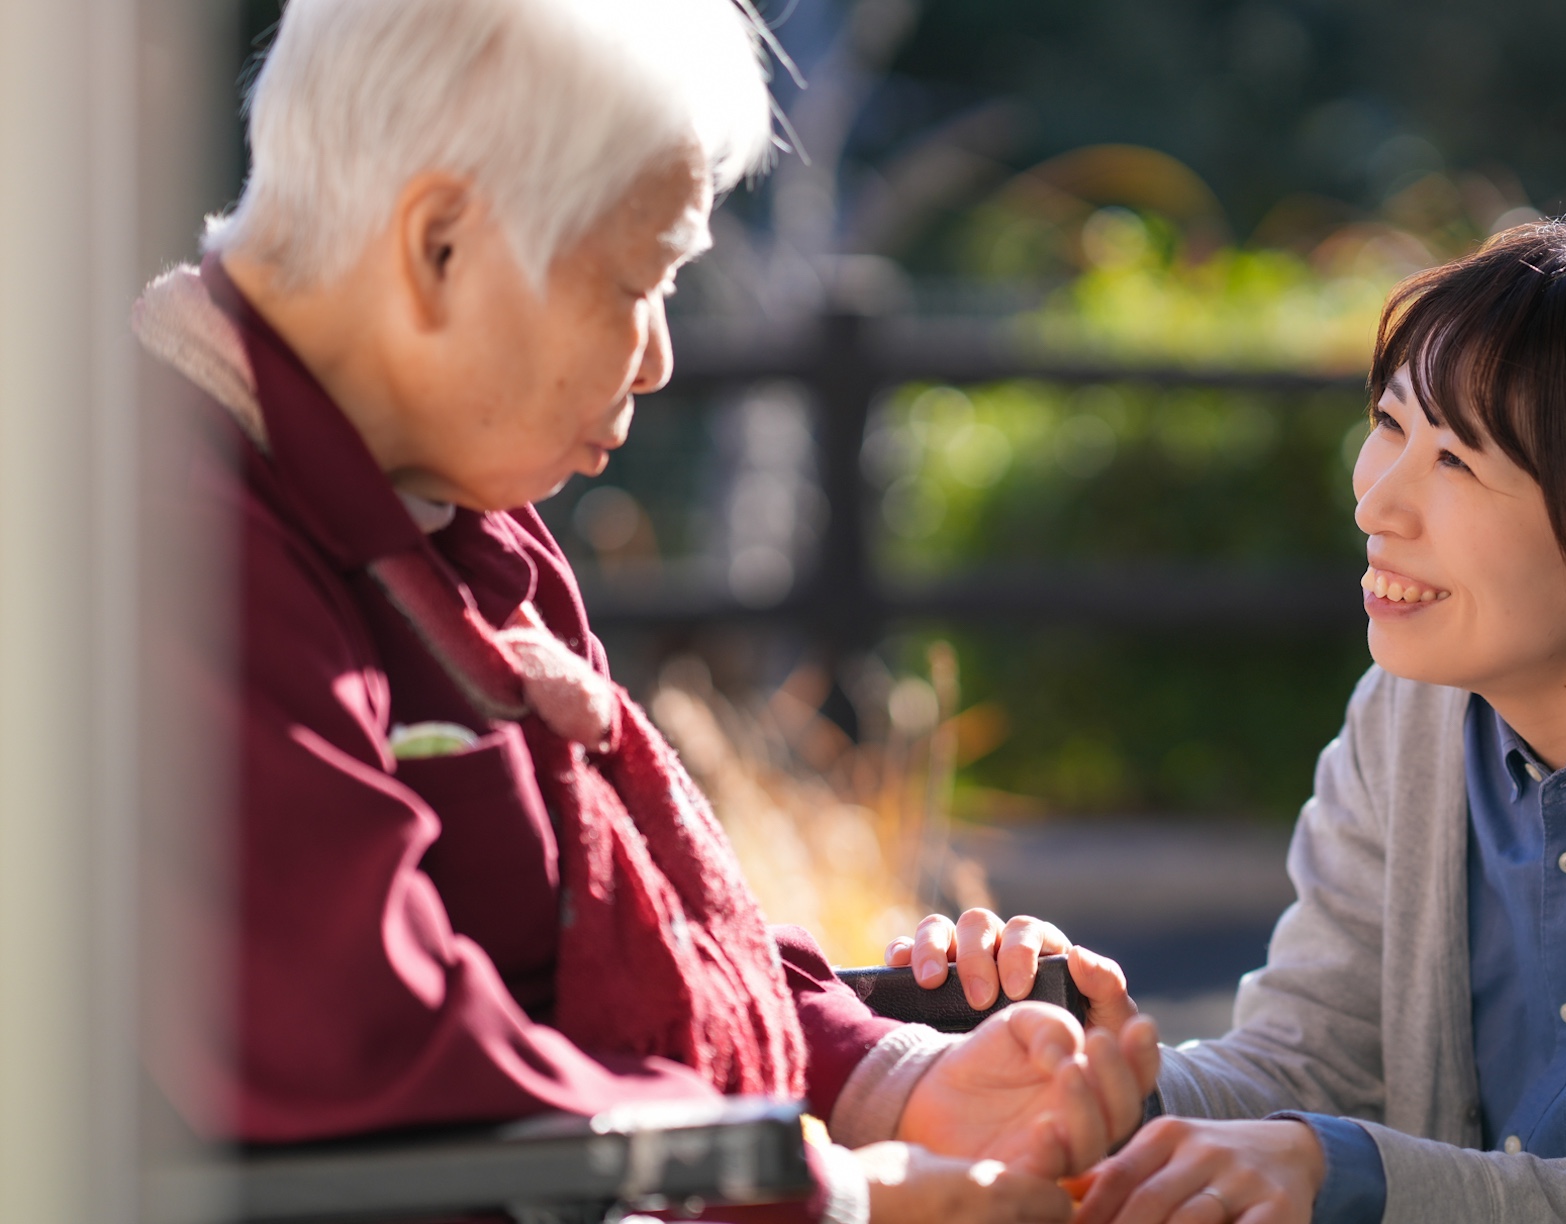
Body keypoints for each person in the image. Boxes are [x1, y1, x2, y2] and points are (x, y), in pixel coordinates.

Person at [131, 2, 1158, 1222]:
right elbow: (373, 1057)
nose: (659, 355)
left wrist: (886, 1077)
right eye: (638, 280)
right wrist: (837, 1194)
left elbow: (640, 933)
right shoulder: (171, 548)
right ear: (439, 245)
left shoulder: (450, 509)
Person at [891, 217, 1566, 1222]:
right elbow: (1313, 1065)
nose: (1377, 501)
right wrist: (1095, 1082)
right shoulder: (1411, 715)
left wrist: (1335, 1171)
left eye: (1458, 463)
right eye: (1389, 425)